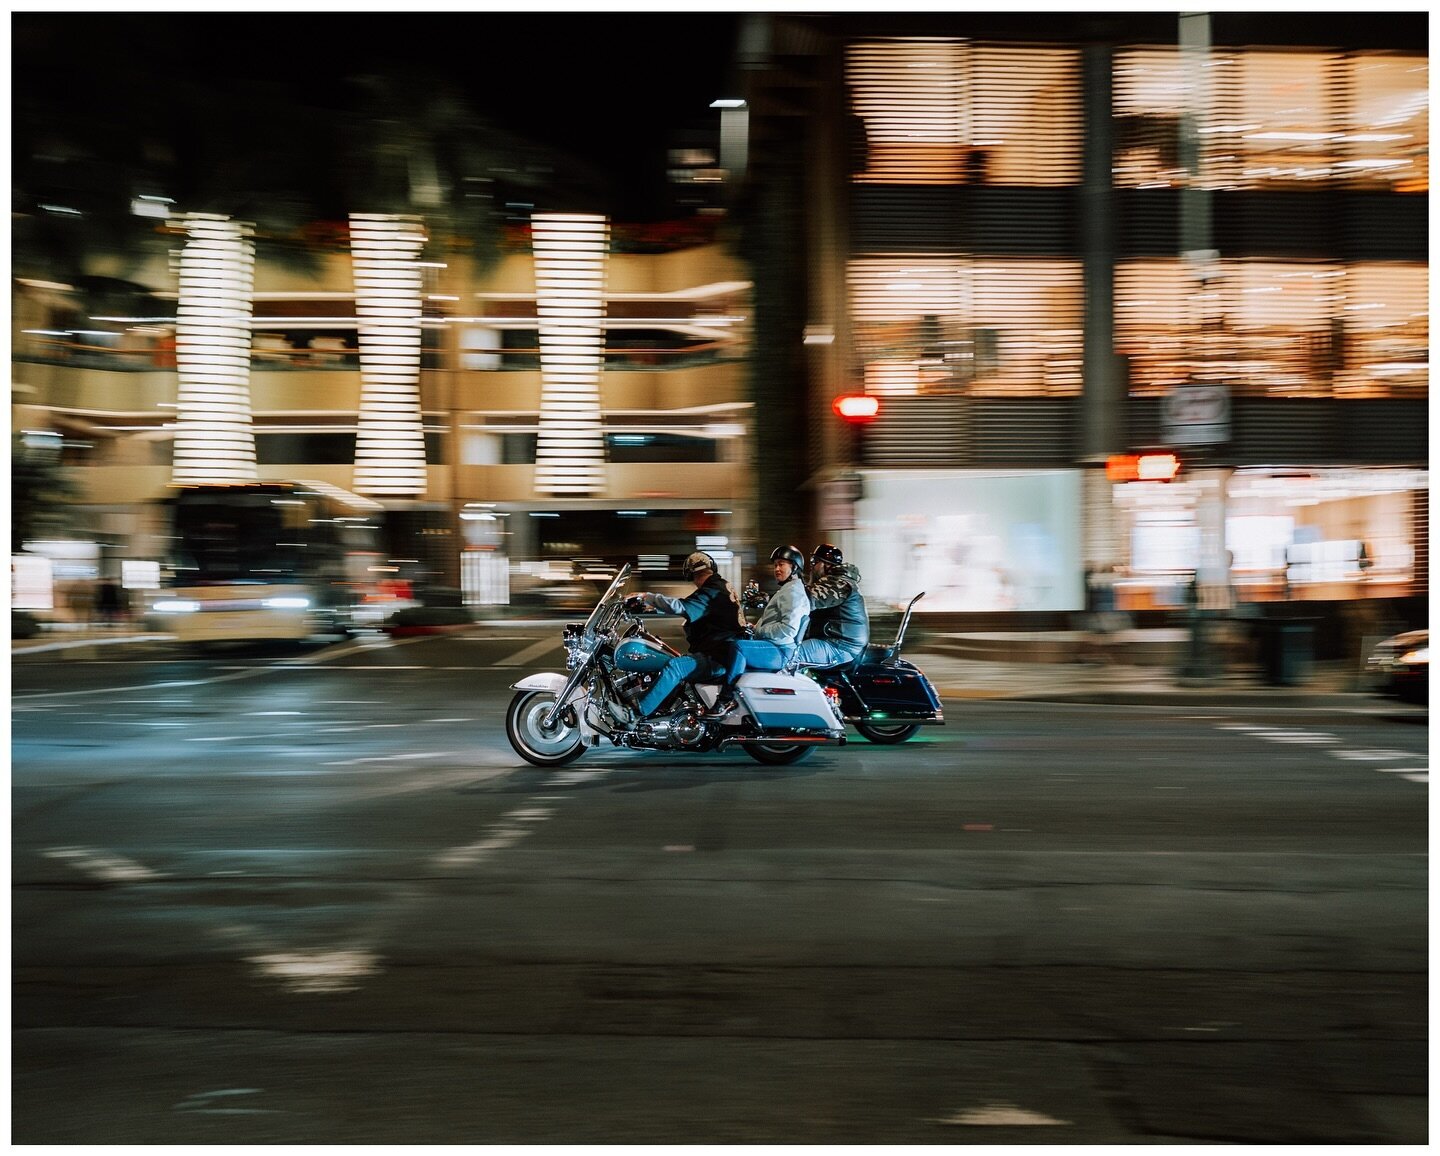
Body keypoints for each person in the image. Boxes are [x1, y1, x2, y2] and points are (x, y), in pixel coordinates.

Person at [626, 551, 746, 721]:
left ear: (692, 574)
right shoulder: (719, 586)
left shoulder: (711, 591)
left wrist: (648, 597)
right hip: (724, 653)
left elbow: (680, 606)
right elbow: (690, 606)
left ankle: (635, 714)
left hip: (719, 657)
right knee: (675, 659)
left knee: (675, 666)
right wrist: (651, 608)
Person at [713, 545, 812, 717]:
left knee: (739, 647)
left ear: (794, 567)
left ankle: (725, 698)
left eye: (782, 564)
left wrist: (759, 630)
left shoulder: (794, 592)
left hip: (780, 651)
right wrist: (754, 628)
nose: (777, 569)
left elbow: (788, 629)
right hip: (776, 646)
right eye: (775, 565)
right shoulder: (788, 589)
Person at [795, 542, 869, 670]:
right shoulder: (832, 581)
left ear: (826, 564)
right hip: (833, 641)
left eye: (815, 561)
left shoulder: (838, 583)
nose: (812, 566)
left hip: (841, 646)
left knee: (787, 656)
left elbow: (805, 600)